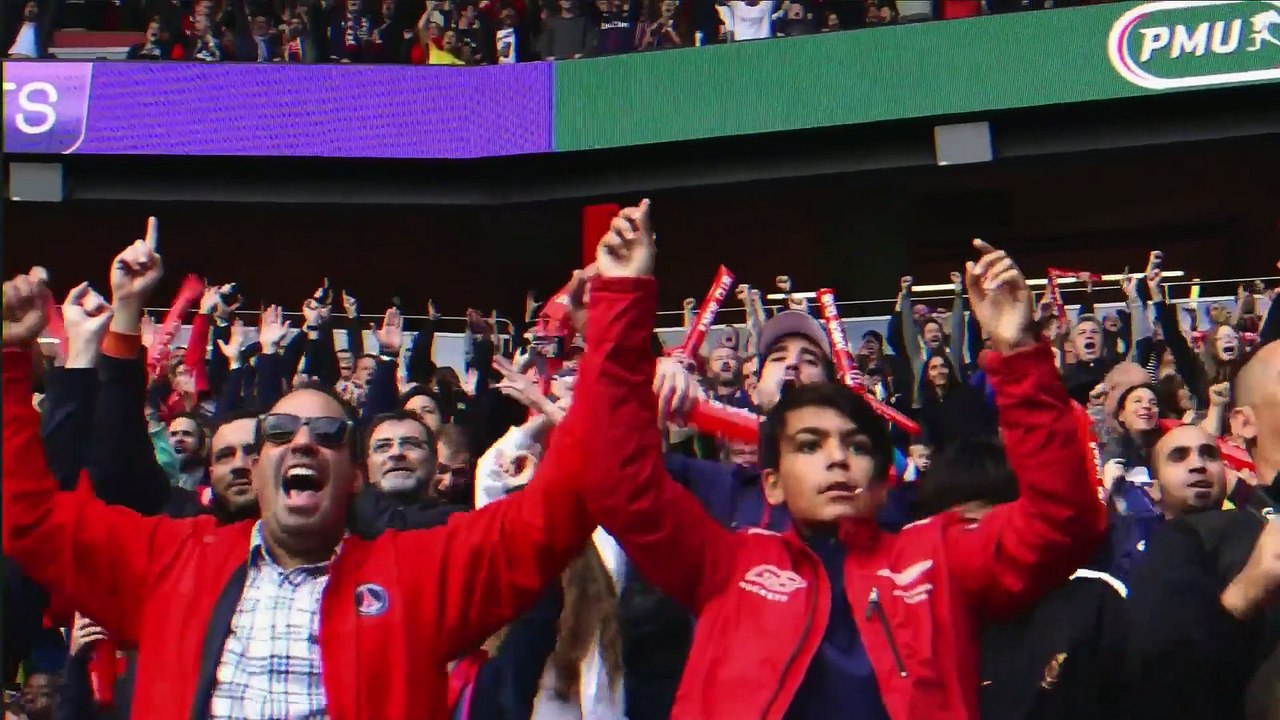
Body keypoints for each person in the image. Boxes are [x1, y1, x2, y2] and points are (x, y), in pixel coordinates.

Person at [1, 254, 598, 719]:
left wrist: (604, 330)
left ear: (356, 475)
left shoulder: (415, 570)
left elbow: (559, 513)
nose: (303, 442)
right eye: (280, 431)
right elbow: (28, 521)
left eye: (329, 432)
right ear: (257, 467)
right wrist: (9, 357)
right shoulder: (172, 559)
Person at [573, 209, 1107, 718]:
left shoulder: (938, 558)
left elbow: (1062, 522)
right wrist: (619, 300)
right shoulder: (724, 561)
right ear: (773, 484)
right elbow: (618, 482)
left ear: (881, 482)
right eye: (810, 445)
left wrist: (1016, 348)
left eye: (857, 446)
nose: (837, 458)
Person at [914, 437, 1131, 720]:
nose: (968, 544)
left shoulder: (1091, 605)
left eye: (979, 525)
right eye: (952, 529)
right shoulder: (914, 624)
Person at [1126, 340, 1280, 720]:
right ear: (1243, 422)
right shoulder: (1187, 541)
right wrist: (1248, 589)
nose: (1197, 466)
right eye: (1179, 457)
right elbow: (1163, 688)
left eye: (1209, 454)